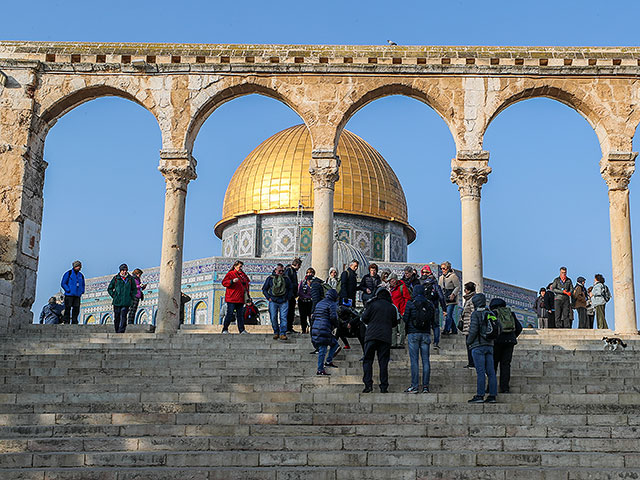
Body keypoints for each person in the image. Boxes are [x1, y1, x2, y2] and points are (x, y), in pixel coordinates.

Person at [361, 288, 398, 393]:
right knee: (383, 362)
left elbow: (364, 318)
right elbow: (395, 323)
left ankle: (368, 385)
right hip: (385, 337)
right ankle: (383, 386)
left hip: (371, 336)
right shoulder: (391, 307)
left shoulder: (372, 304)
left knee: (368, 360)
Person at [402, 284, 434, 393]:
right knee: (426, 361)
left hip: (413, 334)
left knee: (414, 361)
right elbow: (433, 320)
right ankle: (425, 386)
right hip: (425, 334)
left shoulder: (410, 303)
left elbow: (405, 318)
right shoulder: (429, 304)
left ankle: (414, 386)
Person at [466, 293, 498, 403]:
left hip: (478, 346)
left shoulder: (476, 314)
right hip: (489, 346)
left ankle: (480, 395)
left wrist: (469, 342)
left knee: (480, 372)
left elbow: (473, 330)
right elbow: (500, 328)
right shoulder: (490, 312)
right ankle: (492, 396)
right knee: (491, 372)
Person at [489, 298, 523, 394]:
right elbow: (519, 327)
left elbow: (490, 327)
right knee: (505, 365)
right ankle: (505, 388)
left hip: (496, 342)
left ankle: (491, 387)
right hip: (509, 342)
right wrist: (512, 336)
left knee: (493, 365)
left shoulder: (492, 313)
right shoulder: (510, 313)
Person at [311, 289, 340, 376]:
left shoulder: (319, 303)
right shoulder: (332, 304)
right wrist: (336, 325)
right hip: (324, 328)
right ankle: (320, 369)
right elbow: (333, 317)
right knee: (323, 349)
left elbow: (313, 316)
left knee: (335, 344)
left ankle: (328, 361)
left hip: (316, 328)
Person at [419, 265, 446, 351]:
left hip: (424, 308)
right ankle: (436, 342)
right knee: (435, 326)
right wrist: (444, 309)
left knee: (425, 325)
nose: (424, 274)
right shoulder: (435, 283)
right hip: (434, 307)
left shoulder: (420, 283)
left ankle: (425, 342)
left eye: (425, 272)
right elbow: (441, 297)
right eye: (423, 272)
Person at [262, 263, 292, 340]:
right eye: (279, 271)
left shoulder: (286, 279)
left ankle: (282, 333)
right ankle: (276, 332)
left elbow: (290, 288)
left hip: (283, 301)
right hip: (273, 300)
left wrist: (287, 297)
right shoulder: (270, 278)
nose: (281, 272)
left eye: (282, 271)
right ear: (275, 270)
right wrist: (268, 297)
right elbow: (264, 289)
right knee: (273, 317)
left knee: (283, 317)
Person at [221, 260, 250, 334]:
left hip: (240, 299)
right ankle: (225, 329)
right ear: (235, 266)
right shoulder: (231, 274)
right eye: (239, 266)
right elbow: (224, 283)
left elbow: (246, 285)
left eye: (241, 266)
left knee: (240, 315)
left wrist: (247, 296)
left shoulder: (243, 275)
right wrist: (231, 281)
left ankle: (242, 330)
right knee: (229, 314)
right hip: (232, 298)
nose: (240, 268)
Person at [107, 264, 137, 333]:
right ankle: (117, 330)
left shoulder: (130, 279)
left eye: (126, 270)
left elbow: (134, 289)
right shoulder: (116, 278)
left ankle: (122, 330)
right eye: (123, 270)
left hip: (126, 301)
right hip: (117, 301)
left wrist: (131, 297)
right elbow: (110, 288)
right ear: (120, 270)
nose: (124, 272)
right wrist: (114, 295)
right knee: (117, 317)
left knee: (123, 316)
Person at [389, 273, 411, 348]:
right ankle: (393, 343)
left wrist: (404, 310)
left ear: (395, 280)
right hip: (393, 312)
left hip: (401, 311)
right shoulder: (390, 289)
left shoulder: (402, 287)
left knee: (401, 329)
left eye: (391, 280)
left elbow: (407, 299)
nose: (390, 282)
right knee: (393, 328)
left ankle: (401, 343)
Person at [438, 261, 460, 335]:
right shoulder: (441, 278)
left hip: (451, 299)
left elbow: (457, 286)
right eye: (441, 268)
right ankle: (454, 329)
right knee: (448, 315)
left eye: (444, 268)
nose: (442, 270)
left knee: (449, 314)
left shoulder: (453, 276)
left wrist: (453, 294)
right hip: (444, 299)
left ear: (448, 268)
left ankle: (446, 329)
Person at [60, 260, 85, 324]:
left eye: (80, 266)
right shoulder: (69, 273)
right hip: (69, 294)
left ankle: (74, 321)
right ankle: (66, 321)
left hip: (77, 295)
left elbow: (83, 284)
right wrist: (68, 290)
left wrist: (82, 291)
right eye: (78, 266)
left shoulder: (81, 275)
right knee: (68, 308)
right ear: (75, 266)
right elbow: (63, 283)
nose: (79, 268)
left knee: (76, 309)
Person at [284, 258, 302, 333]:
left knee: (291, 312)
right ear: (297, 265)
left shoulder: (292, 271)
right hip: (289, 296)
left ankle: (289, 327)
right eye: (299, 266)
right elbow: (288, 283)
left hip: (291, 295)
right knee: (289, 312)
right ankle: (287, 328)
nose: (299, 268)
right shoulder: (289, 271)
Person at [460, 282, 476, 368]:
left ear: (468, 290)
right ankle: (471, 362)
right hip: (467, 326)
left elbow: (473, 313)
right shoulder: (468, 299)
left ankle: (472, 362)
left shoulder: (472, 300)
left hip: (470, 326)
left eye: (465, 289)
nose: (464, 291)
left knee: (470, 345)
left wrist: (471, 326)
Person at [298, 268, 315, 334]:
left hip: (311, 302)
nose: (310, 274)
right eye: (308, 272)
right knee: (303, 317)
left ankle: (312, 330)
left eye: (311, 273)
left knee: (311, 316)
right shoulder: (303, 282)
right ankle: (304, 329)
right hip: (303, 301)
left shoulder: (315, 282)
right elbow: (300, 291)